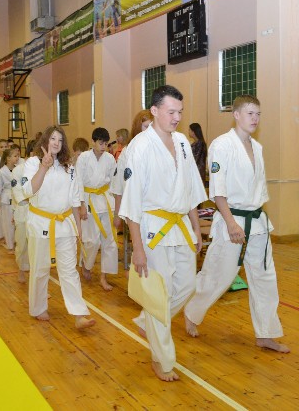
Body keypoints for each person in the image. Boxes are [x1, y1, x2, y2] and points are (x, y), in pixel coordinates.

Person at [184, 95, 289, 353]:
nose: (255, 118)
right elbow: (218, 189)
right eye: (250, 113)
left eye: (258, 114)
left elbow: (258, 188)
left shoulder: (257, 147)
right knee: (219, 274)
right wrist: (231, 223)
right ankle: (192, 312)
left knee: (265, 277)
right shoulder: (222, 145)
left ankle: (266, 333)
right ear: (237, 115)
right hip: (231, 218)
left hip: (257, 221)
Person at [119, 85, 207, 382]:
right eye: (171, 112)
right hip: (153, 228)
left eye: (180, 112)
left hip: (180, 226)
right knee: (160, 292)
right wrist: (137, 248)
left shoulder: (182, 142)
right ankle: (162, 358)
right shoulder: (140, 146)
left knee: (188, 285)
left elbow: (191, 188)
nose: (177, 117)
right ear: (155, 111)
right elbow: (132, 201)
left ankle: (149, 320)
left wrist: (196, 227)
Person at [21, 126, 95, 330]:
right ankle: (38, 308)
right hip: (40, 223)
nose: (56, 143)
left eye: (60, 140)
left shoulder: (68, 167)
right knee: (40, 269)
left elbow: (74, 199)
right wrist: (43, 167)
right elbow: (28, 191)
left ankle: (79, 314)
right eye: (53, 138)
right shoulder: (33, 163)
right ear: (45, 140)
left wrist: (78, 227)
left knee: (69, 271)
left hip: (65, 224)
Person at [76, 127, 119, 291]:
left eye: (106, 144)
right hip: (89, 200)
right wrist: (81, 204)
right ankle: (86, 265)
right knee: (92, 241)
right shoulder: (84, 158)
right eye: (100, 143)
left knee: (109, 240)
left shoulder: (110, 158)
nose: (103, 146)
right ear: (93, 142)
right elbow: (78, 181)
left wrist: (117, 206)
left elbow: (114, 182)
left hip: (106, 200)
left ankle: (103, 276)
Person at [110, 109, 154, 233]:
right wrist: (117, 214)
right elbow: (119, 186)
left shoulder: (160, 149)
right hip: (137, 209)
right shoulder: (127, 152)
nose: (149, 130)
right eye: (146, 126)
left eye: (152, 126)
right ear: (137, 128)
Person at [0, 148, 21, 254]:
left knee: (17, 223)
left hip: (17, 198)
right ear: (8, 158)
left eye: (18, 156)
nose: (17, 158)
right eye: (15, 156)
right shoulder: (2, 171)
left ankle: (17, 243)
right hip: (6, 199)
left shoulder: (18, 169)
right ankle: (10, 246)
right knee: (8, 223)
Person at [12, 153, 31, 283]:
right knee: (22, 243)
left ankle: (35, 272)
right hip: (23, 210)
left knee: (38, 245)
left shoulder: (46, 169)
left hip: (40, 213)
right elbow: (17, 191)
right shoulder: (18, 170)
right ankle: (21, 269)